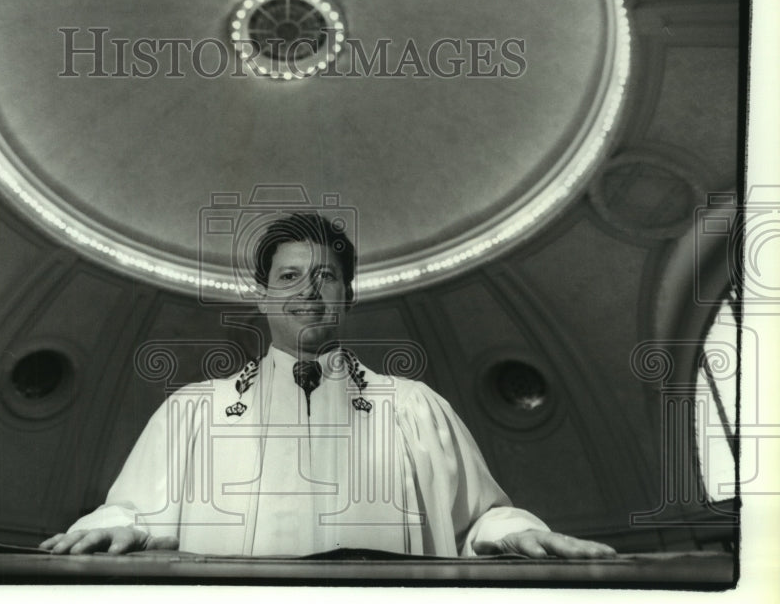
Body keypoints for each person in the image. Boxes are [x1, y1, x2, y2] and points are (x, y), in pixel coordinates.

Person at [42, 213, 615, 559]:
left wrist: (520, 533)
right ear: (262, 296)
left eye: (326, 277)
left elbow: (479, 519)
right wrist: (106, 528)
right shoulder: (193, 411)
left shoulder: (415, 407)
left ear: (348, 295)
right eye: (289, 277)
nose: (309, 291)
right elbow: (130, 515)